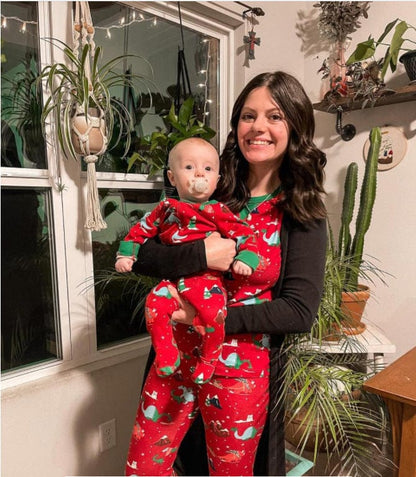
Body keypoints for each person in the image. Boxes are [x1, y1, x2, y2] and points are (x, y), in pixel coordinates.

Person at [126, 71, 327, 476]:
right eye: (248, 115)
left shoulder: (302, 213)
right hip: (175, 362)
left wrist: (205, 318)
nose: (258, 127)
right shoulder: (208, 185)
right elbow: (144, 254)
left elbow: (299, 311)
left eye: (274, 116)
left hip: (242, 371)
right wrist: (201, 254)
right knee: (146, 468)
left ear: (295, 125)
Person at [116, 137, 260, 386]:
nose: (199, 175)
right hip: (173, 283)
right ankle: (166, 352)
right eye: (189, 167)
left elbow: (245, 234)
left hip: (206, 286)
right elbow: (140, 231)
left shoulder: (218, 211)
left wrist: (246, 258)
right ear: (172, 178)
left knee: (215, 318)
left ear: (216, 180)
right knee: (155, 302)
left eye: (207, 169)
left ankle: (209, 358)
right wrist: (125, 253)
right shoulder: (165, 208)